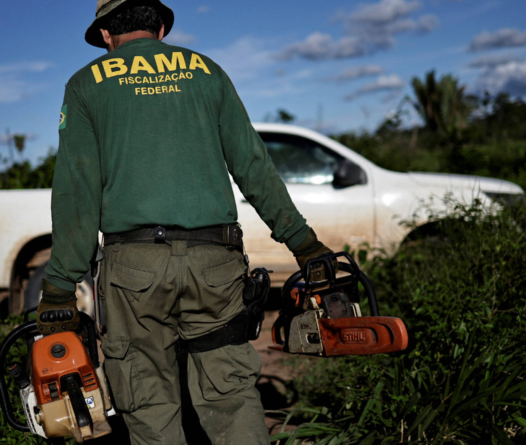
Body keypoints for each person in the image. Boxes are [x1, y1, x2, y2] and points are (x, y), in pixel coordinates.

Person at [36, 1, 333, 443]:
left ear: (104, 36)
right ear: (159, 27)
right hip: (215, 265)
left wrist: (60, 286)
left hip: (134, 273)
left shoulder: (85, 85)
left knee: (149, 403)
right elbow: (254, 166)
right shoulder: (205, 71)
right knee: (231, 397)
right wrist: (306, 246)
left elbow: (77, 192)